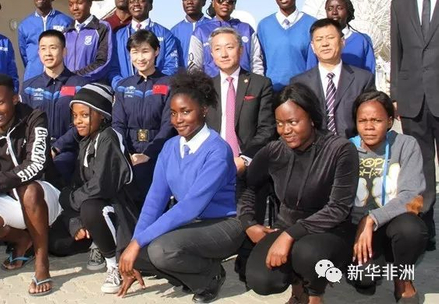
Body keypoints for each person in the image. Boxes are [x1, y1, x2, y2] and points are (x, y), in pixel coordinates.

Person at [117, 70, 244, 303]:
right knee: (132, 253)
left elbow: (190, 207)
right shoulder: (170, 147)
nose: (178, 120)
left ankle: (209, 277)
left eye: (186, 112)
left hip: (224, 224)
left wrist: (138, 243)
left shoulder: (218, 150)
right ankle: (188, 272)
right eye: (174, 113)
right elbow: (154, 201)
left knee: (161, 251)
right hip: (190, 225)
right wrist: (134, 243)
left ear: (203, 110)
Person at [239, 83, 358, 304]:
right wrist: (248, 223)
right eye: (280, 123)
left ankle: (314, 295)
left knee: (307, 253)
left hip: (331, 229)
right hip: (287, 225)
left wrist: (289, 236)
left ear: (311, 118)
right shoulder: (275, 150)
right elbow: (248, 185)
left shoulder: (340, 150)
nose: (285, 130)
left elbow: (339, 208)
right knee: (261, 280)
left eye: (293, 122)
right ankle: (298, 289)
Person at [0, 74, 61, 297]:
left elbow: (36, 164)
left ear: (15, 99)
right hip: (12, 201)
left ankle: (42, 263)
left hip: (46, 198)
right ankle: (23, 240)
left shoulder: (35, 118)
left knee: (29, 190)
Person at [49, 83, 138, 294]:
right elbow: (78, 184)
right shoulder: (87, 141)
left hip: (117, 210)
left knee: (90, 207)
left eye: (84, 115)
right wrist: (75, 222)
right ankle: (96, 242)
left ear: (102, 115)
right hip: (91, 207)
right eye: (75, 116)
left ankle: (114, 265)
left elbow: (101, 187)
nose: (77, 121)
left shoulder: (109, 137)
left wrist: (69, 199)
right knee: (55, 242)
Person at [205, 27, 276, 268]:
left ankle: (247, 265)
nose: (224, 53)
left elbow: (266, 129)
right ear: (211, 54)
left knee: (249, 220)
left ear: (241, 50)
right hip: (213, 164)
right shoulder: (205, 88)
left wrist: (244, 158)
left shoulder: (260, 84)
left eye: (229, 47)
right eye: (217, 49)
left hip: (249, 164)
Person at [348, 91, 427, 302]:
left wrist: (372, 218)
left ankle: (403, 279)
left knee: (412, 230)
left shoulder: (406, 144)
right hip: (358, 229)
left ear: (390, 121)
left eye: (376, 120)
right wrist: (360, 224)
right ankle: (372, 266)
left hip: (395, 221)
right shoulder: (347, 148)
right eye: (362, 121)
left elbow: (411, 194)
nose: (369, 126)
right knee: (364, 279)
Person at [390, 0, 439, 250]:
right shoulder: (400, 4)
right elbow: (397, 53)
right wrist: (395, 94)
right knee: (420, 168)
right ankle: (426, 228)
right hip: (412, 99)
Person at [112, 30, 174, 202]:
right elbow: (117, 124)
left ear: (157, 51)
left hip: (159, 152)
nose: (140, 58)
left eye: (145, 51)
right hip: (128, 154)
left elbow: (169, 125)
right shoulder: (123, 86)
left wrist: (148, 154)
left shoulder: (170, 84)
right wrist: (125, 154)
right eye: (135, 52)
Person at [291, 18, 375, 139]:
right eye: (319, 39)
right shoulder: (299, 83)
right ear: (313, 46)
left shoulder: (363, 80)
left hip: (353, 144)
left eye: (330, 38)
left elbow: (371, 117)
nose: (325, 43)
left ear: (342, 42)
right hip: (314, 146)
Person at [21, 30, 86, 182]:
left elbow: (82, 123)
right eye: (43, 48)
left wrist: (57, 147)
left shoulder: (80, 85)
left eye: (53, 47)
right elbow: (24, 123)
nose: (48, 53)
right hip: (36, 151)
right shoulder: (29, 87)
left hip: (68, 151)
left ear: (64, 51)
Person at [257, 0, 317, 92]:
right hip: (271, 92)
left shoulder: (312, 24)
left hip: (302, 92)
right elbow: (259, 62)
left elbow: (314, 64)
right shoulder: (264, 25)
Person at [109, 0, 180, 88]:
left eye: (141, 1)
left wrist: (155, 88)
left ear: (150, 6)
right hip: (126, 91)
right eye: (132, 1)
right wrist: (122, 87)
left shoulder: (165, 34)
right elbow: (112, 69)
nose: (136, 4)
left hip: (156, 91)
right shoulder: (117, 36)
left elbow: (171, 67)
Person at [188, 0, 264, 76]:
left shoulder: (246, 29)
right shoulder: (201, 31)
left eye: (230, 1)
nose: (225, 3)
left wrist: (257, 83)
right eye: (220, 0)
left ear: (234, 5)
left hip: (244, 82)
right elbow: (194, 67)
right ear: (213, 3)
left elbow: (256, 63)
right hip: (210, 83)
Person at [17, 0, 73, 82]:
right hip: (33, 78)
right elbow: (24, 54)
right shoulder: (24, 25)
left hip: (60, 79)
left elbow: (70, 52)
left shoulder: (66, 22)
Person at [305, 0, 376, 74]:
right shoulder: (318, 41)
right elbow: (311, 73)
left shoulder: (362, 41)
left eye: (339, 8)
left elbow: (370, 74)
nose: (334, 12)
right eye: (330, 9)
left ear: (348, 11)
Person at [63, 0, 114, 82]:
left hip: (92, 84)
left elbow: (103, 61)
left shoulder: (102, 28)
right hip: (68, 85)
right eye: (71, 4)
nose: (74, 8)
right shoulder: (66, 32)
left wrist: (77, 76)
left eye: (79, 3)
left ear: (90, 3)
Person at [170, 0, 209, 68]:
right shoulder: (174, 31)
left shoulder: (213, 27)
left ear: (203, 2)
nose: (189, 2)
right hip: (182, 76)